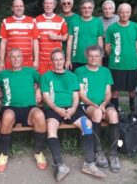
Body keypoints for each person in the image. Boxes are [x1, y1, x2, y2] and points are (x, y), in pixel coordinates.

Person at [41, 49, 106, 181]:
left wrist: (73, 108)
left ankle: (89, 163)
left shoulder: (71, 76)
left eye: (61, 59)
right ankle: (59, 164)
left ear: (64, 60)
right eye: (56, 59)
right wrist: (57, 109)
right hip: (54, 108)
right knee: (51, 126)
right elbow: (46, 98)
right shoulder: (46, 76)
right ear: (51, 61)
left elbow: (76, 96)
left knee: (87, 124)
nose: (59, 62)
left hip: (72, 108)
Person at [0, 48, 47, 172]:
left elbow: (43, 81)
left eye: (18, 56)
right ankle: (4, 154)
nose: (16, 59)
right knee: (7, 116)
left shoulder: (31, 71)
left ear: (22, 58)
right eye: (13, 57)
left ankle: (38, 152)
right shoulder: (2, 74)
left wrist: (38, 89)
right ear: (9, 59)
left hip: (29, 109)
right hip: (10, 107)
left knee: (39, 115)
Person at [75, 45, 120, 172]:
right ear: (87, 57)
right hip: (88, 105)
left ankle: (113, 154)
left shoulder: (106, 71)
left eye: (96, 56)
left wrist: (103, 104)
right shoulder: (80, 71)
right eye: (91, 56)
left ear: (101, 57)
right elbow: (81, 94)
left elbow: (108, 93)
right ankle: (98, 151)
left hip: (103, 104)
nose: (93, 58)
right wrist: (95, 105)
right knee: (97, 114)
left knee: (114, 115)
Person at [105, 3, 137, 112]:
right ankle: (115, 112)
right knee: (115, 91)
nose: (124, 14)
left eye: (127, 12)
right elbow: (107, 47)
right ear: (118, 13)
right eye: (122, 12)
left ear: (130, 13)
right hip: (116, 65)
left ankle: (133, 113)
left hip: (131, 65)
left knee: (132, 90)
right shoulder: (112, 28)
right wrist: (116, 54)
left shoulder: (135, 26)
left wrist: (128, 51)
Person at [0, 0, 39, 71]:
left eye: (21, 6)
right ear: (12, 8)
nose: (19, 8)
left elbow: (35, 42)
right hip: (11, 61)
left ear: (23, 8)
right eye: (16, 6)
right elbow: (3, 43)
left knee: (26, 82)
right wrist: (1, 62)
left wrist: (36, 60)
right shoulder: (5, 22)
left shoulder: (32, 21)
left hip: (28, 62)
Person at [65, 0, 103, 71]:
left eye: (89, 8)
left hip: (93, 59)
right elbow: (69, 41)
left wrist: (100, 60)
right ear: (81, 9)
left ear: (93, 8)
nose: (87, 10)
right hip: (76, 58)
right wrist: (68, 59)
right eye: (84, 8)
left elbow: (100, 42)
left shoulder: (97, 22)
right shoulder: (74, 21)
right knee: (75, 81)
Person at [36, 0, 68, 74]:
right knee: (41, 82)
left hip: (56, 59)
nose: (48, 5)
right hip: (41, 59)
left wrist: (57, 37)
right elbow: (34, 40)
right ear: (43, 5)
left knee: (56, 82)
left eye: (50, 3)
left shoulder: (61, 20)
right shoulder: (36, 20)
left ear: (54, 5)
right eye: (46, 3)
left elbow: (66, 37)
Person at [99, 0, 119, 67]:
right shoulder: (98, 20)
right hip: (102, 53)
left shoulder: (118, 19)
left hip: (115, 52)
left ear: (113, 10)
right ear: (102, 10)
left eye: (110, 9)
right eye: (105, 9)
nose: (107, 11)